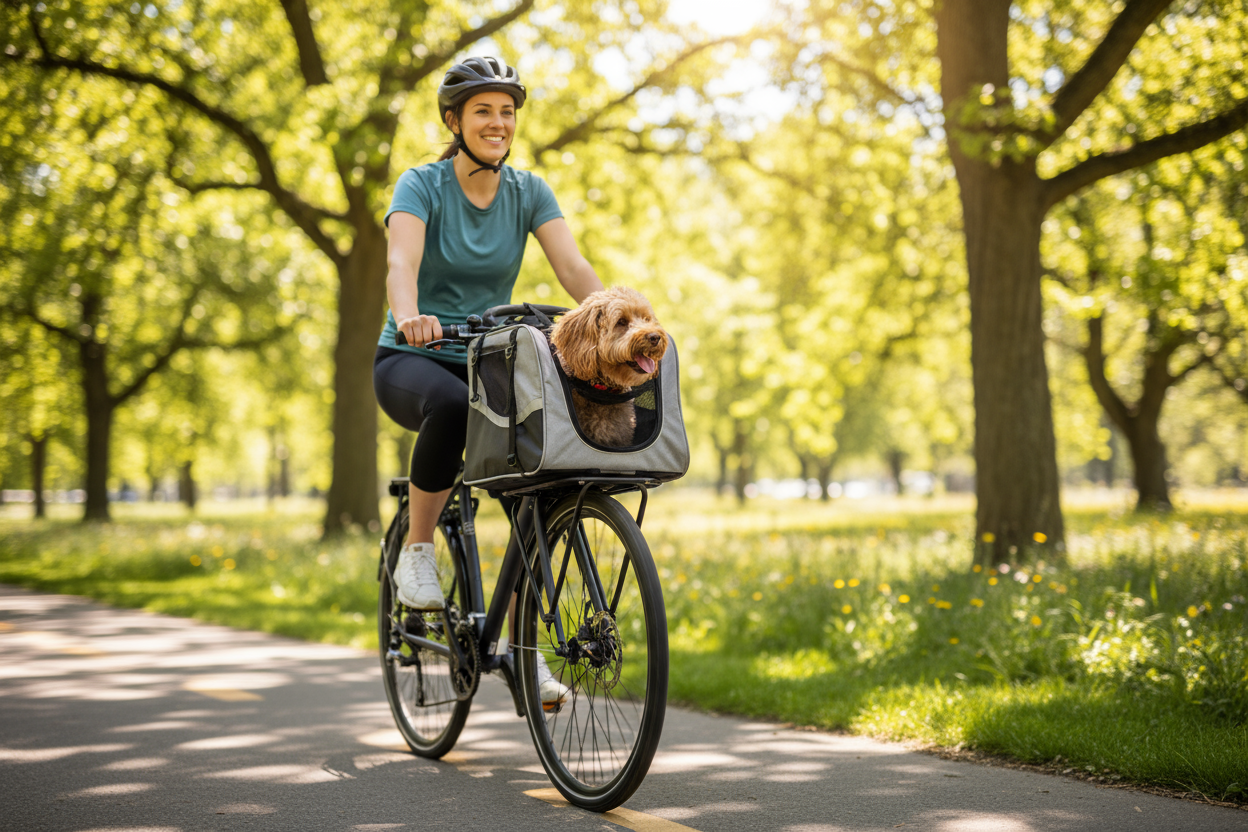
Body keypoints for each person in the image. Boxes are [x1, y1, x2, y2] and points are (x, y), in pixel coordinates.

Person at [373, 57, 604, 705]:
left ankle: (524, 653)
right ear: (454, 120)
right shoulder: (422, 185)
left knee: (534, 486)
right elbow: (401, 259)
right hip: (414, 360)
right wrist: (409, 313)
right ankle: (417, 553)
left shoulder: (529, 192)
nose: (498, 123)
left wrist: (618, 316)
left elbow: (572, 266)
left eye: (507, 111)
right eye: (483, 111)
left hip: (491, 365)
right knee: (446, 405)